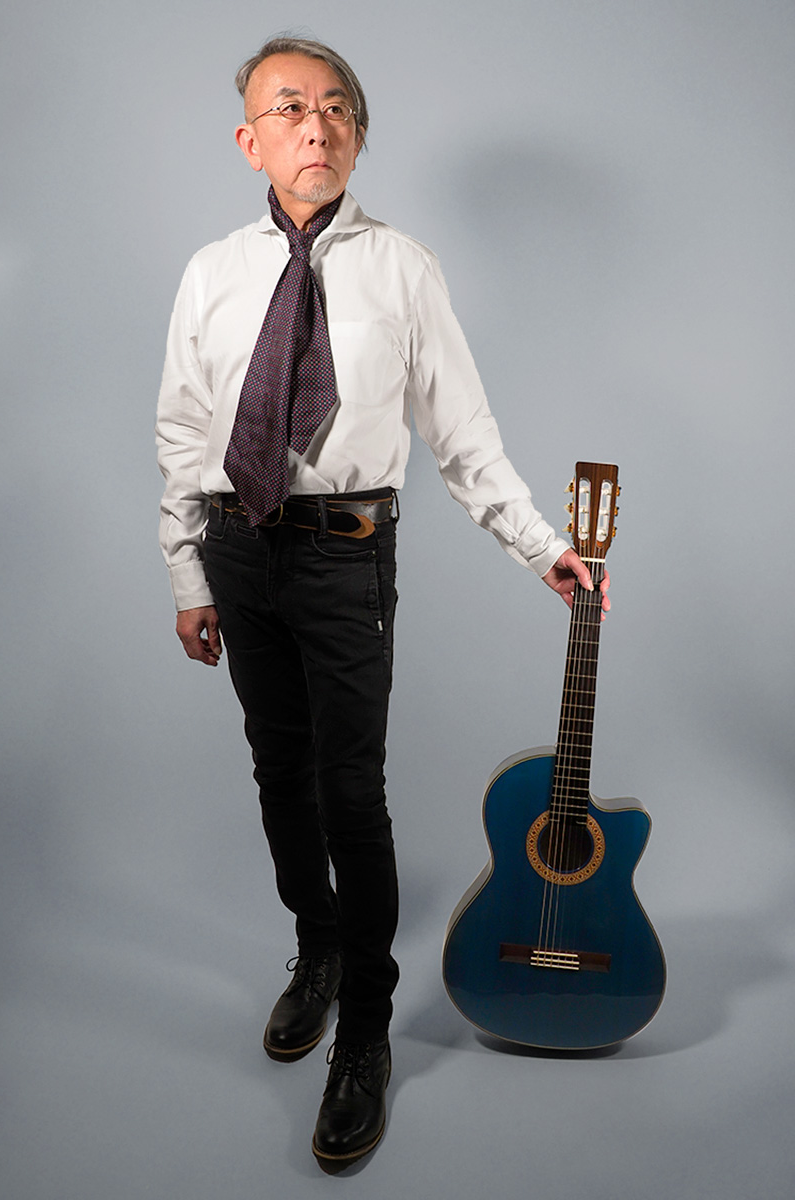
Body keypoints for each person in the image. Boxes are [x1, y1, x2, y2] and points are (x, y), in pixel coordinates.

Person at [156, 35, 608, 1172]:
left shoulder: (403, 269)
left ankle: (364, 1026)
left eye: (337, 109)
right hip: (238, 550)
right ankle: (315, 949)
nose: (315, 125)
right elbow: (183, 429)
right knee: (279, 770)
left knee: (351, 792)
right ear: (249, 139)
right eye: (289, 108)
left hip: (345, 558)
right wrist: (187, 571)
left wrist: (543, 547)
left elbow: (463, 435)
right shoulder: (211, 273)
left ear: (357, 137)